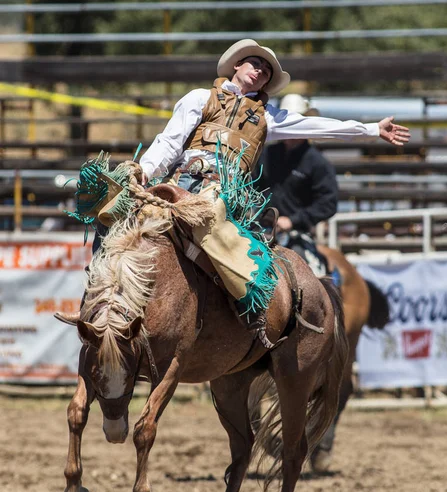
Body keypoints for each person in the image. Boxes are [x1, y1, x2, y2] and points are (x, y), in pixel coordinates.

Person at [56, 39, 410, 347]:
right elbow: (169, 142)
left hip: (221, 198)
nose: (260, 72)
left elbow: (319, 126)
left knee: (236, 254)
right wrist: (143, 172)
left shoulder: (269, 117)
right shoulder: (199, 98)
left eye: (267, 71)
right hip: (179, 184)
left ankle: (253, 321)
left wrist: (370, 129)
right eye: (255, 63)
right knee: (113, 213)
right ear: (237, 65)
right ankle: (98, 301)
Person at [255, 93, 338, 276]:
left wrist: (293, 220)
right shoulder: (267, 155)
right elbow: (252, 184)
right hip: (260, 229)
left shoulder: (317, 163)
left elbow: (328, 203)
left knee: (304, 276)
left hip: (296, 234)